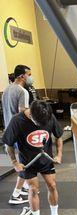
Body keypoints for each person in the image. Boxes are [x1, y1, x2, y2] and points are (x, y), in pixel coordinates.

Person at [3, 100, 65, 215]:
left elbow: (58, 136)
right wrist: (14, 162)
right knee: (33, 189)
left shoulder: (48, 115)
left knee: (52, 185)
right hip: (27, 163)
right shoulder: (17, 121)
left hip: (45, 159)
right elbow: (8, 144)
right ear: (31, 115)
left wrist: (59, 155)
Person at [2, 65, 34, 205]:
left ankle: (26, 187)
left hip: (9, 129)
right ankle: (16, 194)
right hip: (20, 131)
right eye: (29, 74)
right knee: (25, 162)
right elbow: (23, 112)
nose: (30, 77)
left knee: (24, 161)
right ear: (22, 76)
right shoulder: (22, 91)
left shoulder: (6, 89)